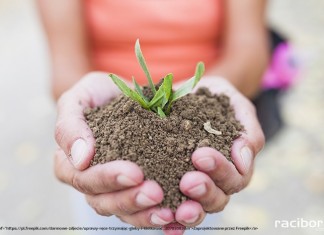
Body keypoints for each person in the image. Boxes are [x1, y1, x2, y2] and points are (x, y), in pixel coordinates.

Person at [37, 0, 267, 234]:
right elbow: (64, 69)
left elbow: (250, 53)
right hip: (110, 136)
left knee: (195, 206)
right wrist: (82, 100)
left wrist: (216, 94)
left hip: (202, 137)